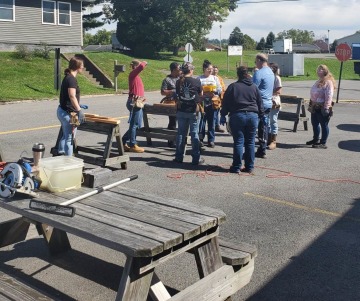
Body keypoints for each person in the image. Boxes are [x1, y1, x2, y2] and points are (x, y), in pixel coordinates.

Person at [220, 66, 264, 174]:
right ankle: (249, 167)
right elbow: (260, 102)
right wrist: (261, 116)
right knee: (250, 142)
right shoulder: (254, 87)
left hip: (238, 115)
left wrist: (223, 114)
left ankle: (236, 167)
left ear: (238, 75)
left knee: (239, 142)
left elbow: (225, 102)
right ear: (247, 75)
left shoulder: (233, 86)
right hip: (253, 115)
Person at [173, 62, 204, 165]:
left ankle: (179, 156)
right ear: (191, 70)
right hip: (193, 111)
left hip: (181, 110)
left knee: (181, 133)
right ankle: (196, 158)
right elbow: (200, 96)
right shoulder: (196, 81)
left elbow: (177, 95)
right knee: (194, 134)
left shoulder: (178, 82)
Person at [57, 56, 85, 156]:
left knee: (66, 135)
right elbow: (72, 95)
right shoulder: (71, 79)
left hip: (68, 111)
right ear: (77, 67)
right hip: (69, 113)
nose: (83, 68)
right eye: (82, 66)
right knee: (69, 138)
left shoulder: (68, 77)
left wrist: (78, 104)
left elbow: (70, 98)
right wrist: (79, 109)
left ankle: (60, 153)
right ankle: (68, 161)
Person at [306, 64, 335, 149]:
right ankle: (316, 139)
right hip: (315, 106)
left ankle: (323, 143)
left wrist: (326, 107)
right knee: (314, 124)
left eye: (321, 69)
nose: (319, 71)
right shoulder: (319, 81)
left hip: (322, 107)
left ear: (325, 71)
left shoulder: (328, 82)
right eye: (318, 69)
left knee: (324, 125)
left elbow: (329, 95)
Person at [122, 59, 147, 153]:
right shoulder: (133, 74)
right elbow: (142, 66)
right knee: (134, 125)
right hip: (134, 102)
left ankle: (123, 141)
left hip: (138, 101)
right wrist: (144, 62)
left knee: (137, 125)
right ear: (135, 66)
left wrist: (142, 97)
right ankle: (132, 144)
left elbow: (137, 89)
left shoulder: (135, 76)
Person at [252, 53, 274, 158]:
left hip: (259, 103)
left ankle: (250, 150)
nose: (255, 64)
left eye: (256, 62)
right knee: (263, 126)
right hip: (268, 102)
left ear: (260, 61)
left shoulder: (259, 73)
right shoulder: (271, 72)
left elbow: (252, 88)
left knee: (253, 126)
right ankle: (262, 148)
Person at [197, 60, 222, 148]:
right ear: (204, 69)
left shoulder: (215, 78)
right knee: (201, 123)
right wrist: (202, 93)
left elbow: (220, 89)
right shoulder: (199, 78)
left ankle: (211, 140)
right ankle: (200, 139)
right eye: (209, 69)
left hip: (212, 102)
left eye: (211, 69)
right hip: (203, 103)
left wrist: (214, 91)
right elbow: (196, 90)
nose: (210, 70)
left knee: (211, 122)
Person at [160, 62, 181, 147]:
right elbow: (163, 92)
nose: (180, 70)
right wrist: (173, 92)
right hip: (172, 103)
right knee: (172, 122)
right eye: (178, 69)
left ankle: (179, 139)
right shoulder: (167, 80)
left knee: (181, 122)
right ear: (174, 70)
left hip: (181, 103)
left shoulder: (181, 78)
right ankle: (171, 140)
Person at [268, 62, 282, 150]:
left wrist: (268, 92)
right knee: (266, 121)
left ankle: (273, 140)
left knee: (273, 120)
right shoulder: (267, 77)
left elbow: (278, 90)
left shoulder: (276, 78)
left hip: (273, 101)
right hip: (265, 101)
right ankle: (267, 137)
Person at [212, 65, 226, 133]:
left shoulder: (219, 78)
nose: (215, 71)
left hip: (219, 99)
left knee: (217, 113)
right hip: (212, 98)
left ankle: (217, 126)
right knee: (213, 114)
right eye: (214, 70)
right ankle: (212, 126)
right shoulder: (210, 78)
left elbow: (223, 88)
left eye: (216, 70)